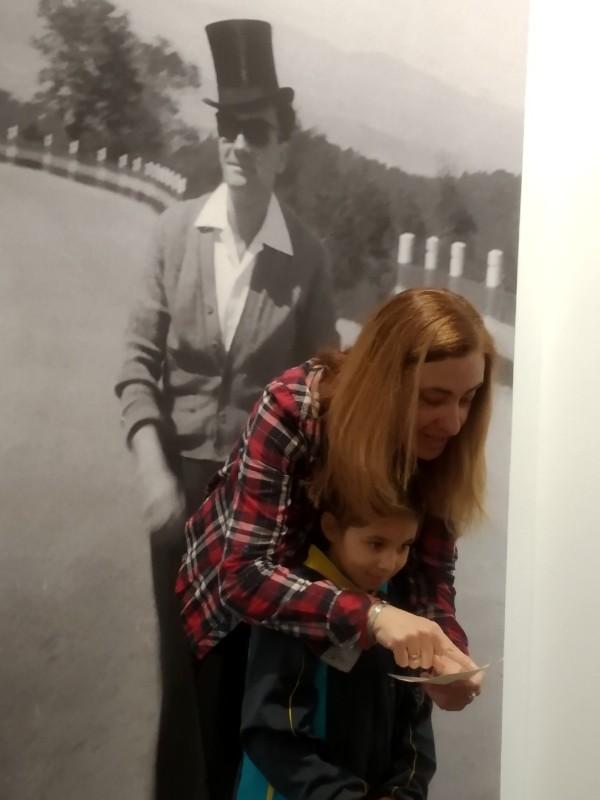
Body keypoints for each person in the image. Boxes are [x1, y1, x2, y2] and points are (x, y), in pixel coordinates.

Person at [115, 18, 338, 800]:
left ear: (282, 149)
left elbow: (327, 392)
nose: (239, 144)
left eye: (257, 131)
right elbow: (136, 366)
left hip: (261, 505)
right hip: (180, 492)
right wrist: (154, 468)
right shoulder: (174, 234)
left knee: (241, 685)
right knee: (184, 683)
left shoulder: (307, 259)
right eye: (228, 128)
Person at [177, 286, 497, 798]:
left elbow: (431, 576)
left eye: (467, 398)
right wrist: (373, 615)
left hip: (354, 627)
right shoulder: (293, 406)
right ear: (384, 384)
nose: (455, 422)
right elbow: (245, 576)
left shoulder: (443, 447)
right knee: (238, 767)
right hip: (241, 626)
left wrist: (446, 655)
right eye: (433, 399)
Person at [236, 498, 437, 800]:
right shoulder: (291, 604)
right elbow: (271, 733)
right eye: (376, 544)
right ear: (331, 527)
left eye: (404, 546)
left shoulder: (398, 604)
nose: (389, 563)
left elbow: (415, 721)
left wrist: (403, 792)